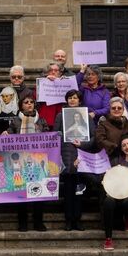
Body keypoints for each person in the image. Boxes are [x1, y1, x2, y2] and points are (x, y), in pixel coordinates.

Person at [4, 95, 49, 231]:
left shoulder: (41, 120)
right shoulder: (16, 121)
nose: (29, 104)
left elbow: (48, 136)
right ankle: (22, 222)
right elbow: (10, 133)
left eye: (31, 102)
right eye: (26, 102)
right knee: (21, 192)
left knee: (39, 191)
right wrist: (6, 133)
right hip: (22, 161)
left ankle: (38, 222)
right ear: (21, 106)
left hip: (38, 160)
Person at [54, 90, 95, 231]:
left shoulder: (87, 117)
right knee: (68, 191)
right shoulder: (60, 116)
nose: (72, 100)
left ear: (79, 101)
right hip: (66, 156)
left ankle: (78, 219)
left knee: (80, 191)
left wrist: (82, 144)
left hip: (82, 157)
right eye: (70, 98)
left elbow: (94, 138)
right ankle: (68, 220)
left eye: (75, 98)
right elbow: (55, 136)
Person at [102, 134, 128, 251]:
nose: (127, 147)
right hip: (116, 197)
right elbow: (109, 179)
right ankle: (108, 239)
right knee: (108, 201)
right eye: (124, 145)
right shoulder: (116, 163)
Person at [95, 97, 128, 166]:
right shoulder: (103, 124)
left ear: (123, 110)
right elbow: (100, 140)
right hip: (110, 159)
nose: (116, 110)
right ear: (110, 110)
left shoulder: (127, 123)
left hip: (126, 157)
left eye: (119, 108)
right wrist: (115, 147)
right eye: (113, 108)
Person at [37, 62, 65, 127]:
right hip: (46, 119)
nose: (53, 72)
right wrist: (45, 82)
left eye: (56, 70)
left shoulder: (65, 83)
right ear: (47, 72)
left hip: (60, 118)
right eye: (50, 70)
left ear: (60, 73)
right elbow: (36, 97)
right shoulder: (41, 83)